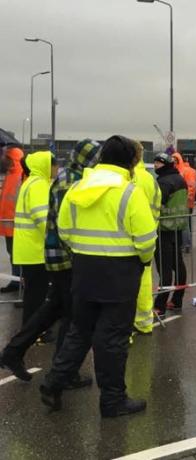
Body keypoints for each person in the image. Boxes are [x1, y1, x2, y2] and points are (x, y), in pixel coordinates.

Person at [40, 135, 157, 417]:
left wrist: (82, 250)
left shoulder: (79, 187)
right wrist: (142, 261)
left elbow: (64, 229)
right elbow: (145, 239)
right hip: (119, 272)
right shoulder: (129, 192)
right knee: (112, 339)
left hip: (84, 270)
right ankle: (112, 401)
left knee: (80, 332)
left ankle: (54, 382)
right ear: (130, 161)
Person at [0, 141, 100, 385]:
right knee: (72, 315)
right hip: (63, 255)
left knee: (54, 308)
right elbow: (57, 219)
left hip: (52, 253)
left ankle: (14, 352)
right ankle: (64, 373)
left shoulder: (62, 179)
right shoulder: (68, 182)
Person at [14, 151, 55, 327]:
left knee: (33, 294)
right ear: (47, 166)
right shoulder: (39, 185)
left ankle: (31, 329)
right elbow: (42, 219)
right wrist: (57, 235)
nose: (57, 169)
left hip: (28, 249)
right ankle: (34, 331)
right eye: (54, 165)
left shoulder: (30, 182)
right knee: (37, 295)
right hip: (36, 249)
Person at [152, 153, 188, 315]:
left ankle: (160, 305)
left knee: (164, 269)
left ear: (165, 164)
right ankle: (177, 300)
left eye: (157, 164)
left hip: (163, 229)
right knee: (178, 265)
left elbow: (156, 205)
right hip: (177, 227)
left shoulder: (163, 182)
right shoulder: (180, 179)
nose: (155, 167)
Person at [132, 150, 161, 335]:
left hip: (127, 238)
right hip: (149, 233)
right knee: (145, 279)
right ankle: (144, 321)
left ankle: (130, 323)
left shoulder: (128, 177)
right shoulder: (149, 178)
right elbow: (157, 204)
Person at [0, 145, 24, 293]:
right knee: (12, 254)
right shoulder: (10, 174)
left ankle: (19, 283)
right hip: (8, 223)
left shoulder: (20, 176)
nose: (4, 160)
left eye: (7, 157)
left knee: (18, 256)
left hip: (17, 224)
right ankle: (16, 281)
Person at [172, 152, 196, 253]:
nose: (173, 163)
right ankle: (185, 243)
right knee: (186, 224)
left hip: (185, 202)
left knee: (185, 225)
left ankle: (186, 244)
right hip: (183, 202)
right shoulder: (179, 171)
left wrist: (186, 199)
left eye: (175, 161)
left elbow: (191, 187)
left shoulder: (186, 171)